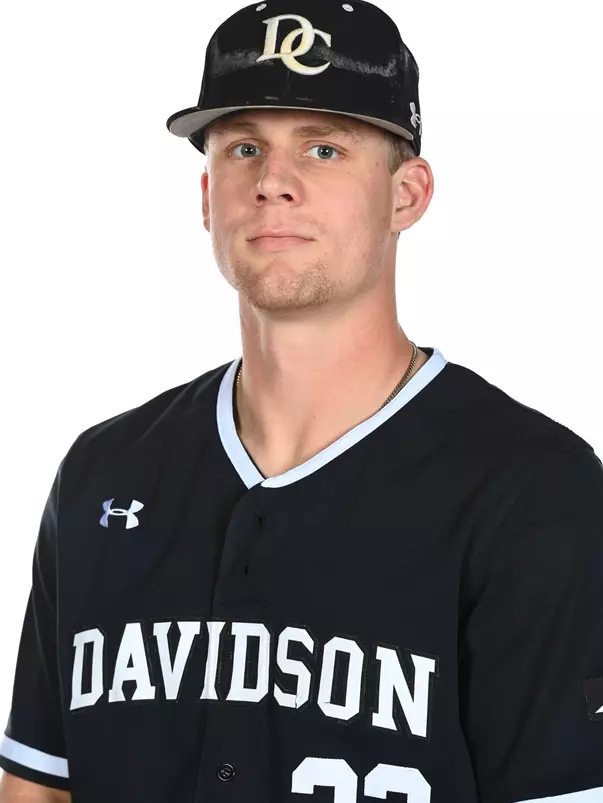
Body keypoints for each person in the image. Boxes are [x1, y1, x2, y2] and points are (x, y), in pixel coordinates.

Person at [1, 0, 603, 801]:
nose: (273, 183)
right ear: (207, 194)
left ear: (407, 194)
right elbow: (38, 783)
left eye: (323, 148)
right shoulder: (101, 471)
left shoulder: (531, 488)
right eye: (245, 147)